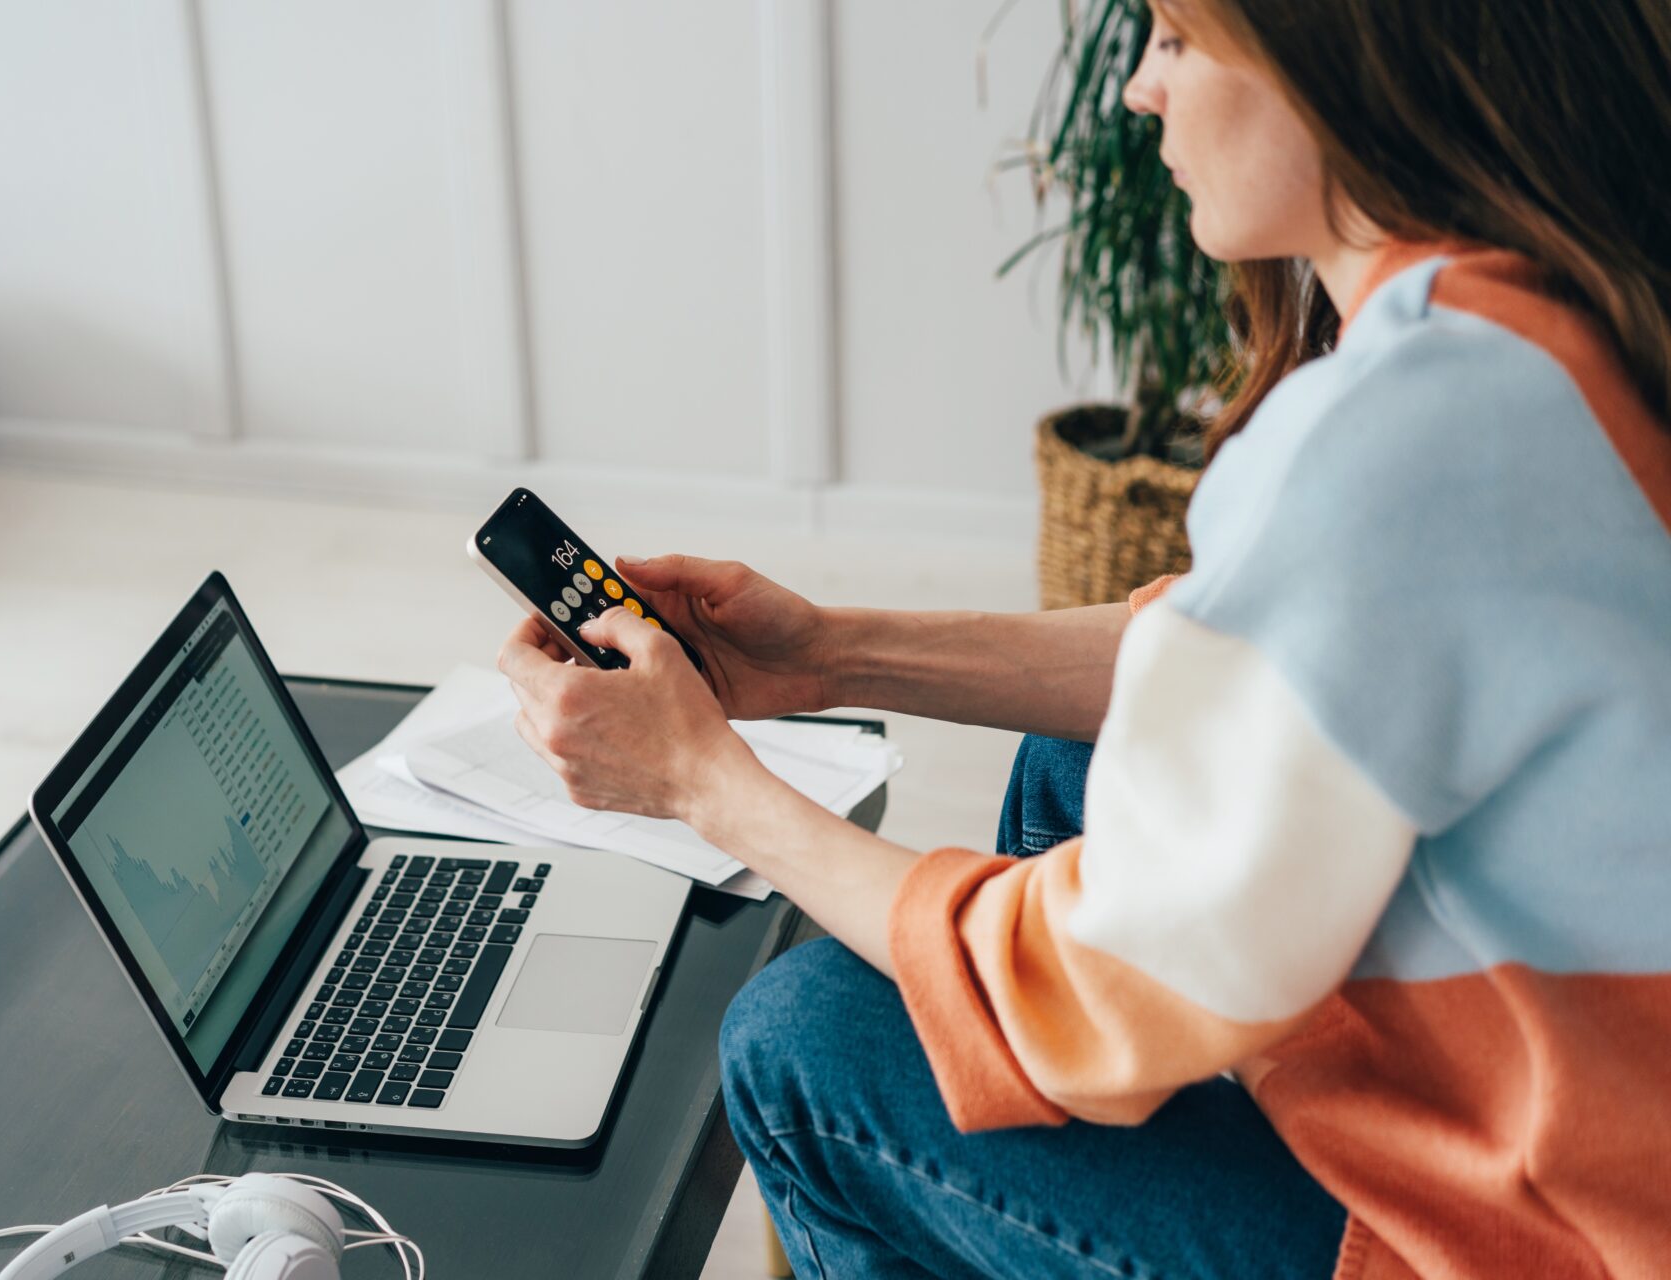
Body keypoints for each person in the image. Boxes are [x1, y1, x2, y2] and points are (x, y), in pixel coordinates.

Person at [497, 0, 1671, 1273]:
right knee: (1067, 774)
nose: (1138, 91)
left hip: (1536, 1234)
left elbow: (1083, 988)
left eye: (1175, 37)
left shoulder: (1401, 443)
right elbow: (1242, 670)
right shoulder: (1555, 322)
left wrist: (706, 787)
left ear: (1343, 58)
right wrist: (828, 651)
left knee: (805, 1039)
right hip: (1592, 1095)